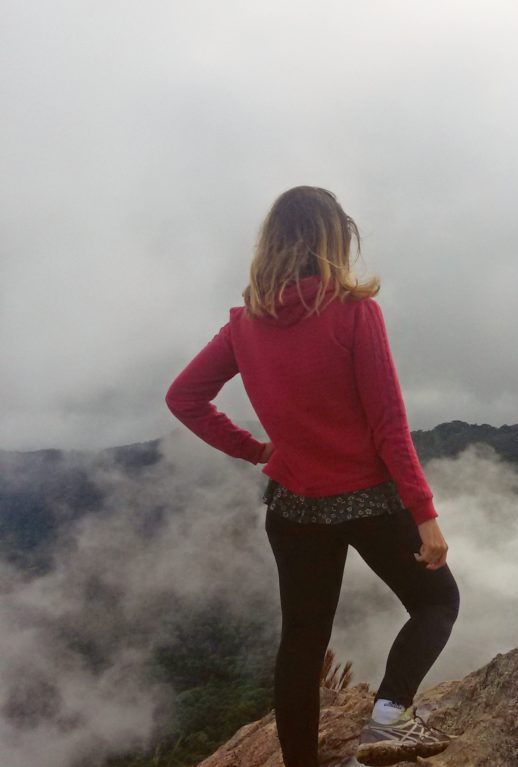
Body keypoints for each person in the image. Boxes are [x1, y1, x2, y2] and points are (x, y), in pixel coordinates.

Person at [165, 186, 460, 767]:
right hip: (372, 502)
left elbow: (183, 398)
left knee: (301, 645)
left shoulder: (243, 328)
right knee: (438, 603)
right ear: (333, 242)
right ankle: (390, 716)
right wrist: (425, 517)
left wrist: (257, 452)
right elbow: (389, 429)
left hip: (294, 508)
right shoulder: (355, 314)